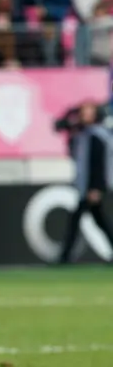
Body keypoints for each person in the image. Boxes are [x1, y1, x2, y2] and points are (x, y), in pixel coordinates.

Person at [58, 100, 113, 264]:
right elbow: (59, 126)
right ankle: (65, 256)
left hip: (93, 186)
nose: (84, 115)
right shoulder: (83, 134)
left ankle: (65, 257)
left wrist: (96, 188)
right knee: (100, 220)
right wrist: (71, 114)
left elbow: (98, 165)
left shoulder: (97, 136)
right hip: (86, 186)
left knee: (77, 220)